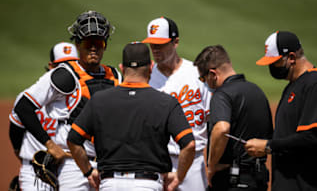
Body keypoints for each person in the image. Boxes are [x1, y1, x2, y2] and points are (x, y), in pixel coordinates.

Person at [13, 10, 121, 190]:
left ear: (105, 45)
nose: (93, 48)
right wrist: (49, 144)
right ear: (78, 44)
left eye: (99, 42)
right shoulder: (64, 75)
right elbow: (23, 107)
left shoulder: (115, 75)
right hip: (74, 166)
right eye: (88, 42)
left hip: (108, 164)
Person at [67, 42, 196, 191]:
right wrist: (179, 176)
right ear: (151, 67)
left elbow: (73, 140)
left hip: (110, 184)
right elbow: (189, 144)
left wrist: (88, 172)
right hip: (148, 184)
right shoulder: (166, 102)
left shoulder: (99, 100)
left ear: (122, 68)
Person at [245, 31, 317, 191]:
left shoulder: (315, 86)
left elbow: (312, 137)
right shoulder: (293, 87)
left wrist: (269, 146)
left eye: (275, 62)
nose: (271, 67)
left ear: (291, 57)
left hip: (316, 186)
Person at [142, 16, 212, 191]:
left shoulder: (196, 73)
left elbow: (213, 117)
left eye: (161, 44)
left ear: (175, 42)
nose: (155, 50)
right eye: (152, 44)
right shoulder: (146, 78)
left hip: (193, 161)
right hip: (157, 160)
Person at [193, 45, 273, 191]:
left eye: (203, 78)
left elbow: (222, 128)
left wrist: (211, 166)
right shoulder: (257, 91)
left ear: (213, 74)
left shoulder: (221, 95)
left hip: (231, 181)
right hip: (258, 179)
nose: (205, 83)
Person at [9, 42, 79, 190]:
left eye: (71, 64)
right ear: (51, 66)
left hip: (71, 169)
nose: (66, 69)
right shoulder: (29, 98)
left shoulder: (79, 98)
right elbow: (15, 132)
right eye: (62, 65)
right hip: (37, 171)